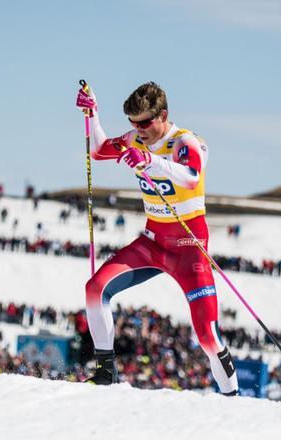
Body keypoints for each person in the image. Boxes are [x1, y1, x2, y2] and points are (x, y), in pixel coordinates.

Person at [76, 82, 238, 395]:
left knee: (206, 335)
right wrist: (92, 113)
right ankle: (105, 373)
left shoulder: (185, 142)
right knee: (95, 288)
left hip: (189, 247)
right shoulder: (135, 138)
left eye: (145, 123)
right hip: (153, 242)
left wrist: (150, 161)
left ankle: (232, 399)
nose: (139, 130)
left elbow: (191, 177)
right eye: (133, 124)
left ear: (163, 115)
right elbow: (98, 151)